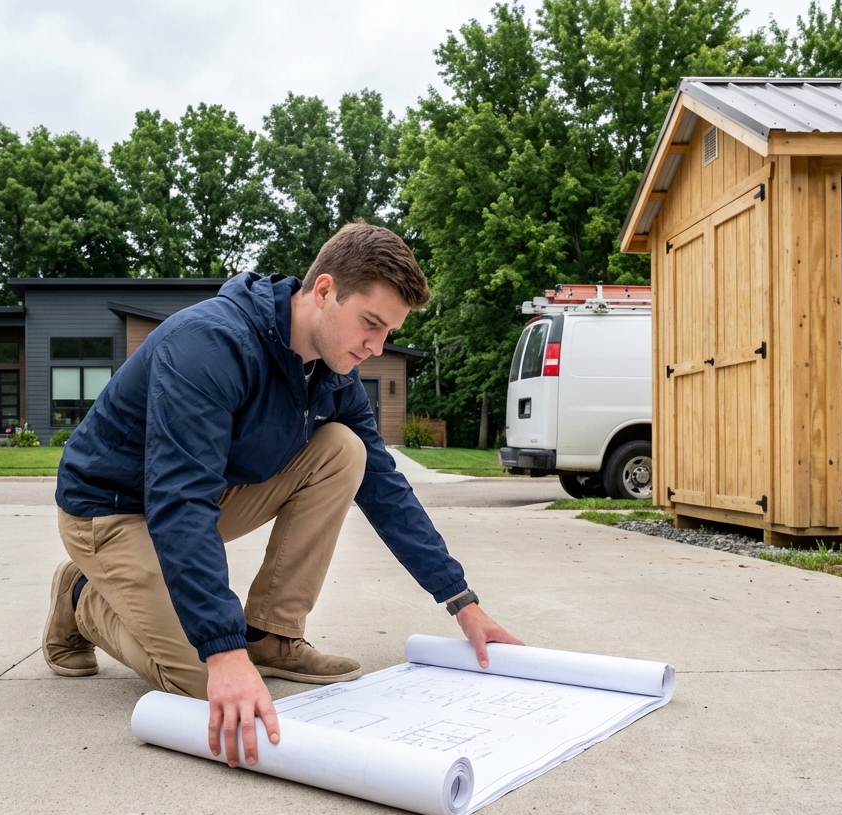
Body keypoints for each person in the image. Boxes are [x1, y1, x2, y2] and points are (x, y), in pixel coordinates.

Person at [44, 221, 522, 769]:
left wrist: (461, 601)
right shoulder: (208, 344)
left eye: (388, 332)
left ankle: (271, 634)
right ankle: (82, 597)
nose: (376, 347)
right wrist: (223, 649)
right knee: (202, 682)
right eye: (370, 323)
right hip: (112, 511)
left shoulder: (334, 375)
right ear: (324, 290)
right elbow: (181, 498)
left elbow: (386, 489)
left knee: (344, 450)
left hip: (205, 498)